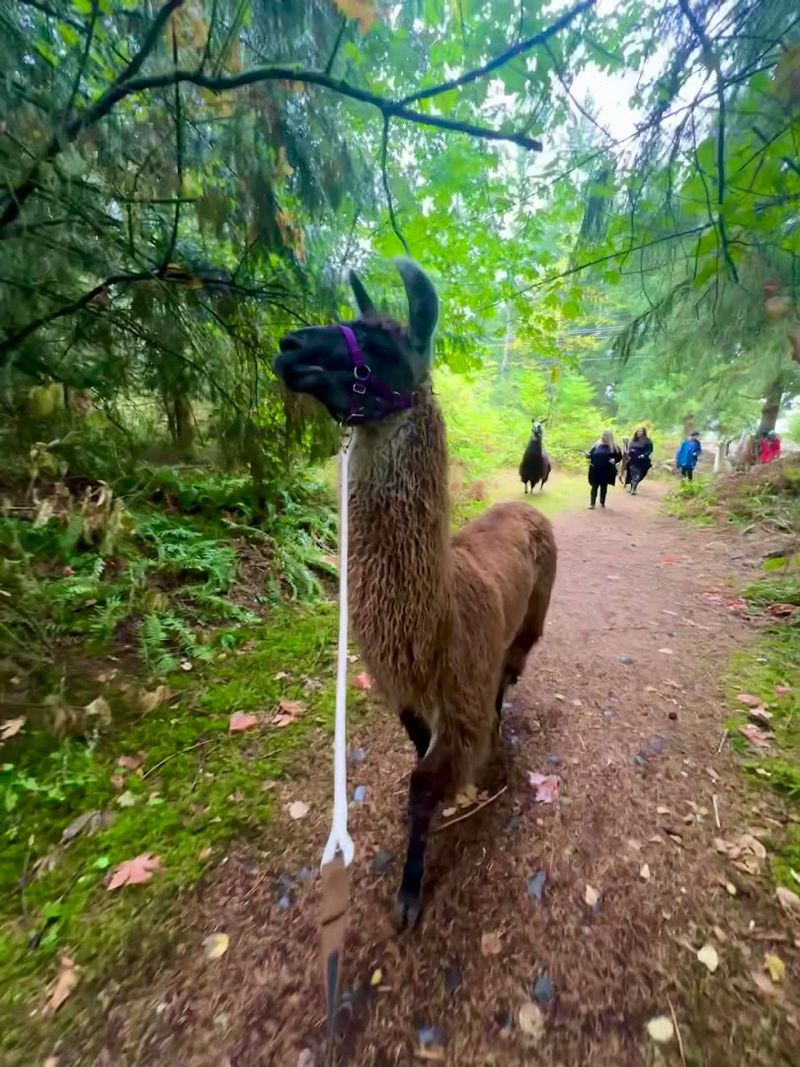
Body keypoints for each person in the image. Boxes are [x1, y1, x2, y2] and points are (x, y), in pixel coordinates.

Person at [586, 430, 622, 509]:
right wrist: (587, 455)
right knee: (594, 486)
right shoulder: (596, 445)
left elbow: (619, 457)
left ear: (609, 437)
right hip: (595, 468)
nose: (603, 437)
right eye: (603, 435)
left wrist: (614, 460)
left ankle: (602, 502)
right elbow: (591, 455)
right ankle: (592, 503)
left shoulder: (614, 447)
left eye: (605, 436)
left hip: (606, 470)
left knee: (603, 486)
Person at [625, 427, 653, 494]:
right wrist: (629, 453)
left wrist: (644, 455)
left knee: (639, 475)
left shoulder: (647, 441)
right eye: (638, 431)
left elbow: (650, 450)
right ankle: (633, 489)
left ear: (644, 432)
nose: (639, 433)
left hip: (642, 461)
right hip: (633, 460)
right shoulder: (634, 440)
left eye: (640, 431)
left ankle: (633, 488)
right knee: (633, 474)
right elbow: (629, 449)